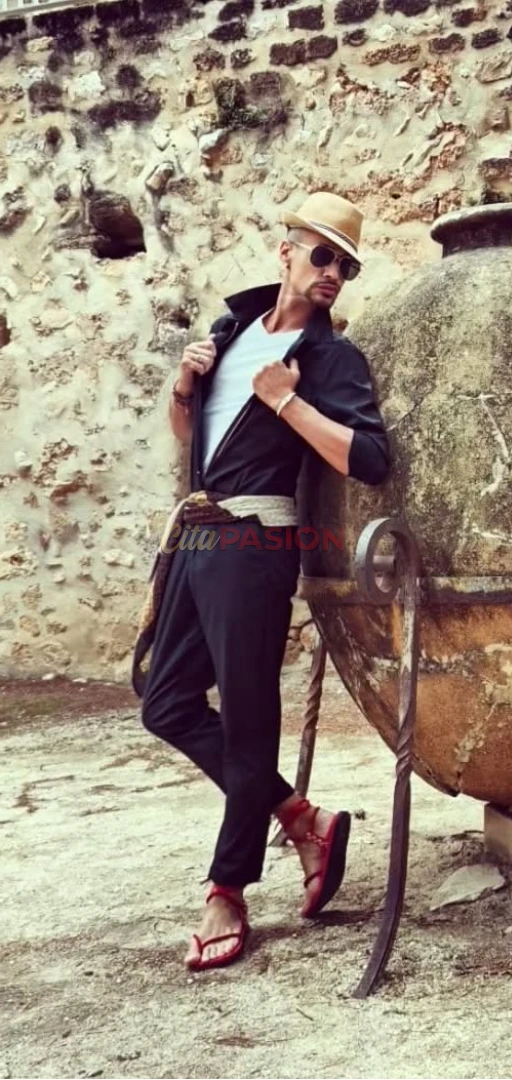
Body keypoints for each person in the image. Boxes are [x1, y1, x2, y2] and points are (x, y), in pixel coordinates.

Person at [138, 192, 390, 972]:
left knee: (249, 724)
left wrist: (286, 402)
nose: (333, 273)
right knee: (164, 701)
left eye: (346, 266)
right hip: (197, 534)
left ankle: (228, 889)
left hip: (257, 541)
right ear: (286, 253)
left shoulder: (330, 358)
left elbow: (369, 458)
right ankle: (300, 816)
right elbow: (193, 439)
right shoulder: (229, 333)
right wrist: (185, 388)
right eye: (322, 255)